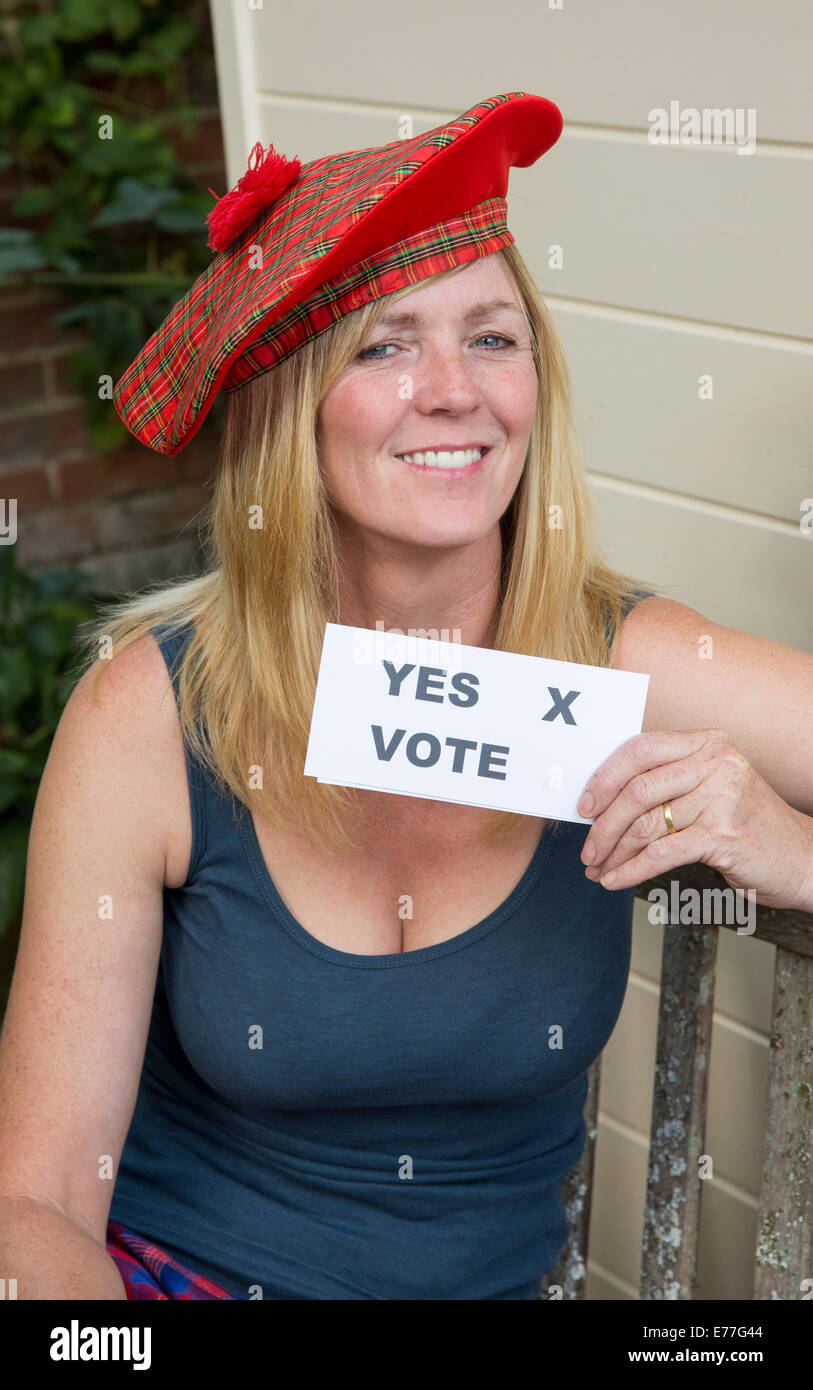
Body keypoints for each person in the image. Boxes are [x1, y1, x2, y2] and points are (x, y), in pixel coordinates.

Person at [0, 93, 811, 1302]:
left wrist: (789, 847)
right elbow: (38, 1197)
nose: (453, 391)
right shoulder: (151, 717)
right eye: (384, 345)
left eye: (491, 337)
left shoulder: (626, 661)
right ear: (291, 410)